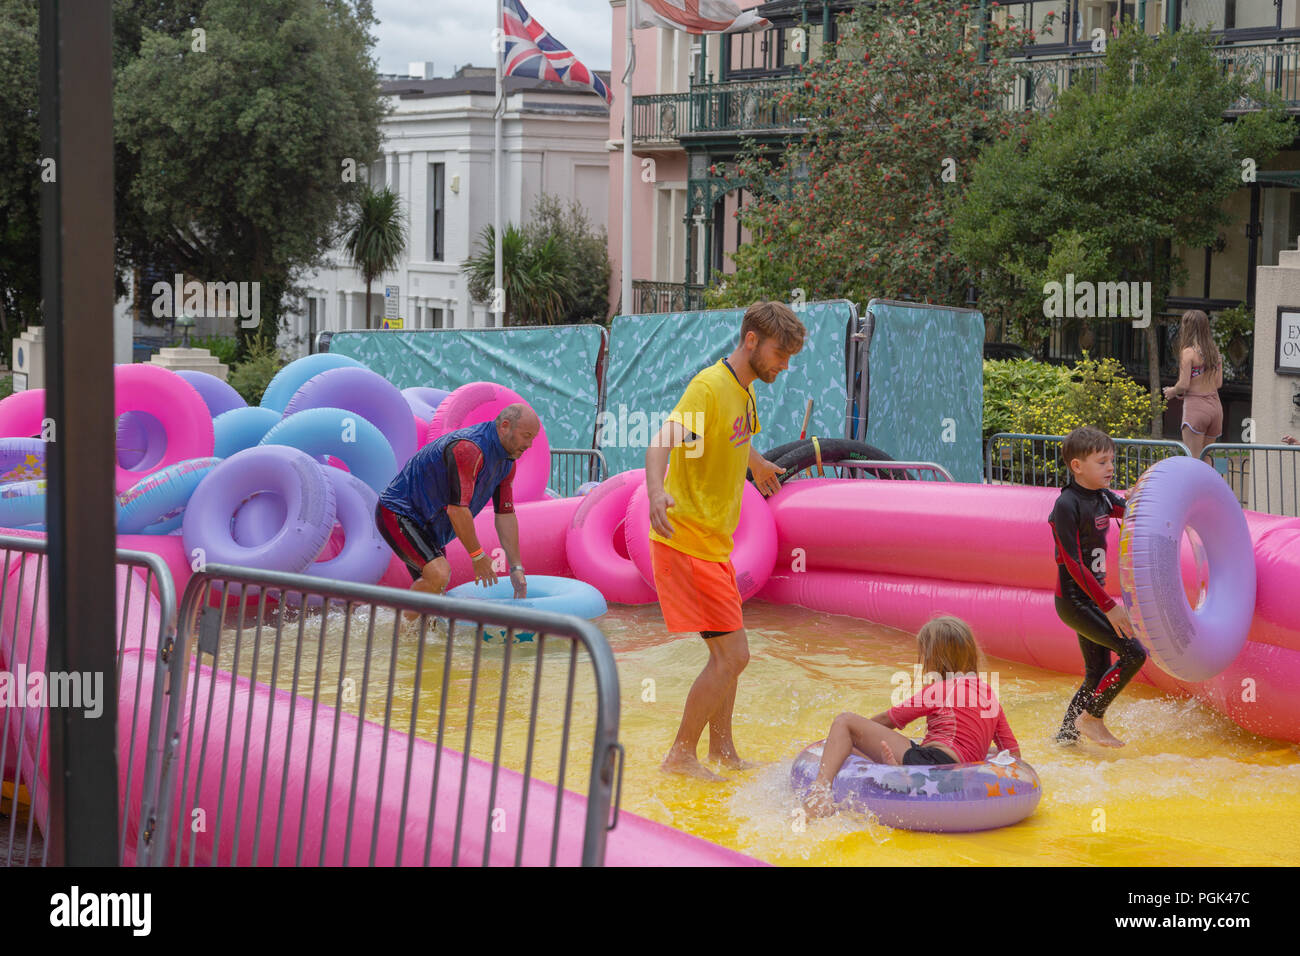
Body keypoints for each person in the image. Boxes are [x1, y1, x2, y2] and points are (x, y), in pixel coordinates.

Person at [647, 301, 806, 780]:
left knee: (727, 658)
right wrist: (656, 491)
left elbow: (736, 438)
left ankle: (722, 750)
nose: (784, 364)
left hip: (715, 545)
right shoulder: (709, 387)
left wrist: (756, 463)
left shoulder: (744, 391)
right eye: (781, 353)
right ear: (752, 341)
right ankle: (679, 756)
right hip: (687, 541)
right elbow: (662, 441)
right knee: (734, 656)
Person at [803, 616, 1020, 818]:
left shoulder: (942, 688)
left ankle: (819, 793)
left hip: (932, 763)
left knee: (845, 722)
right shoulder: (990, 695)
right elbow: (1011, 752)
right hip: (960, 774)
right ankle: (896, 768)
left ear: (933, 659)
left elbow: (887, 721)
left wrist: (842, 737)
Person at [375, 404, 539, 613]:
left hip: (429, 528)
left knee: (433, 603)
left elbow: (505, 515)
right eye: (526, 436)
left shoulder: (507, 462)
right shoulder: (469, 448)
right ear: (505, 426)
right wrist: (478, 556)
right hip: (398, 513)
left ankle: (409, 638)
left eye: (532, 437)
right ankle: (395, 634)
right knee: (438, 574)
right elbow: (457, 510)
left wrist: (516, 568)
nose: (530, 444)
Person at [1048, 425, 1146, 747]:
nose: (1111, 467)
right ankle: (1092, 718)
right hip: (1075, 602)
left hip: (1092, 600)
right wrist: (1109, 606)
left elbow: (1130, 510)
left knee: (1096, 671)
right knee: (1133, 653)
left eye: (1111, 461)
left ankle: (1066, 739)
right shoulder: (1067, 505)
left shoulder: (1103, 497)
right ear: (1077, 466)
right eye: (1102, 462)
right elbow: (1073, 564)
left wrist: (1140, 495)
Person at [1162, 309, 1224, 459]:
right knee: (1207, 458)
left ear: (1187, 327)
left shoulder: (1188, 353)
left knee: (1193, 459)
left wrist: (1172, 391)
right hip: (1215, 408)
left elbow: (1183, 385)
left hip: (1196, 408)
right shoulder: (1215, 352)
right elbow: (1218, 383)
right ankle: (1209, 483)